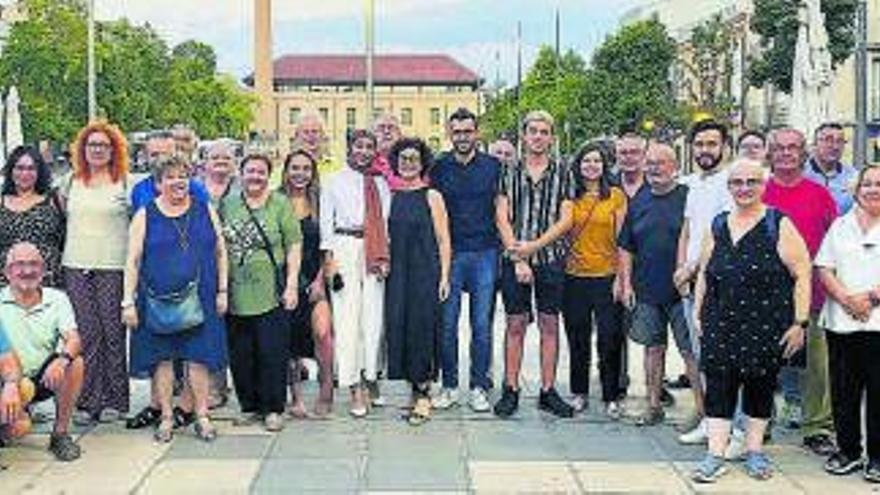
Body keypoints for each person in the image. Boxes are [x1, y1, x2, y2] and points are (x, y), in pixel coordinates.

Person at [690, 159, 810, 483]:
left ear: (763, 185)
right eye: (737, 182)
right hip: (721, 322)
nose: (744, 188)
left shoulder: (777, 223)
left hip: (766, 323)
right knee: (718, 387)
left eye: (751, 182)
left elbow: (802, 272)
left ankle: (754, 451)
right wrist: (698, 313)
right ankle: (715, 454)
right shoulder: (718, 224)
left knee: (760, 387)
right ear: (729, 187)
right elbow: (704, 271)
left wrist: (800, 322)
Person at [122, 157, 228, 443]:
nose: (178, 182)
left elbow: (220, 252)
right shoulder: (145, 214)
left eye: (183, 176)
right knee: (163, 359)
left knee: (199, 358)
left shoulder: (205, 209)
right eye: (170, 177)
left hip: (202, 295)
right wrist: (127, 302)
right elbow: (132, 260)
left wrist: (222, 290)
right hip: (158, 298)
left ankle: (202, 415)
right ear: (158, 183)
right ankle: (167, 416)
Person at [494, 110, 575, 419]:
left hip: (550, 259)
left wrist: (533, 248)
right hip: (514, 258)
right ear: (524, 136)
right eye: (533, 131)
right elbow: (502, 215)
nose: (538, 137)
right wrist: (518, 256)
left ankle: (547, 390)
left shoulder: (563, 171)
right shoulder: (508, 170)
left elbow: (566, 219)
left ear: (551, 137)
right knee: (515, 323)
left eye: (544, 132)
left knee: (549, 324)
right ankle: (511, 387)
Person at [762, 128, 838, 456]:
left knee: (817, 368)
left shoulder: (819, 194)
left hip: (814, 296)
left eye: (793, 148)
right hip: (764, 297)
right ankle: (758, 421)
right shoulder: (758, 191)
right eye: (779, 148)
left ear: (803, 152)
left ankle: (817, 427)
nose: (786, 154)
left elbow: (835, 242)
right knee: (761, 364)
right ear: (769, 153)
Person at [221, 154, 301, 432]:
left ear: (269, 175)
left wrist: (291, 285)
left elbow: (293, 245)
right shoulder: (228, 204)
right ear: (240, 174)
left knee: (272, 352)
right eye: (250, 171)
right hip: (235, 293)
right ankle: (250, 406)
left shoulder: (279, 204)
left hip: (271, 292)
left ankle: (273, 408)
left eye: (261, 172)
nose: (255, 176)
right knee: (241, 353)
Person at [59, 120, 132, 425]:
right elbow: (64, 215)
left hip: (113, 266)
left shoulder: (124, 182)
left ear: (114, 149)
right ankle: (89, 401)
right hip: (77, 265)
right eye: (92, 145)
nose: (98, 150)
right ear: (82, 150)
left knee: (113, 334)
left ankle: (116, 399)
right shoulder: (69, 182)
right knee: (88, 335)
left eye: (104, 145)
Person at [429, 108, 500, 412]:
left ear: (477, 133)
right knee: (447, 324)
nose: (462, 137)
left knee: (481, 325)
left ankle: (479, 386)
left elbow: (502, 208)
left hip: (485, 252)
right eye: (456, 132)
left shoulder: (493, 167)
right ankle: (448, 385)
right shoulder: (438, 167)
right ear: (449, 133)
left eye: (467, 131)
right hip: (451, 255)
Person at [618, 142, 693, 427]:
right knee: (652, 348)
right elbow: (626, 246)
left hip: (682, 290)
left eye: (661, 163)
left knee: (690, 352)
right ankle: (653, 405)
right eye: (650, 163)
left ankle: (701, 410)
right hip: (647, 289)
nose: (654, 168)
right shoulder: (639, 199)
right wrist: (626, 284)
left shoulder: (688, 197)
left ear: (674, 167)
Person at [815, 165, 880, 483]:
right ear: (856, 190)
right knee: (843, 391)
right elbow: (824, 267)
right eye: (866, 184)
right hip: (841, 322)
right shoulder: (841, 225)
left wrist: (869, 298)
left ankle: (878, 459)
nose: (872, 189)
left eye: (879, 184)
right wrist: (847, 300)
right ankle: (849, 452)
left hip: (877, 322)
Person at [320, 129, 390, 418]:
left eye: (369, 147)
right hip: (344, 247)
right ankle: (353, 385)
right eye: (358, 146)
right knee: (348, 318)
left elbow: (385, 222)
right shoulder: (333, 181)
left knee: (373, 318)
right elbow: (326, 223)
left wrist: (385, 256)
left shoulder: (381, 184)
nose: (363, 151)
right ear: (349, 148)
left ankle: (371, 375)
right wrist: (330, 260)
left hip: (373, 249)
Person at [385, 137, 451, 425]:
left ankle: (424, 393)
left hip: (425, 272)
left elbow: (443, 239)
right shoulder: (390, 195)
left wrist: (445, 275)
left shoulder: (432, 196)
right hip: (397, 274)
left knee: (423, 329)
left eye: (413, 158)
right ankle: (413, 391)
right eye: (403, 158)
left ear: (422, 163)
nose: (408, 163)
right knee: (401, 328)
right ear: (396, 163)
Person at [674, 120, 732, 443]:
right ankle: (712, 422)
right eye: (699, 145)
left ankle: (729, 426)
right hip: (690, 281)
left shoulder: (731, 182)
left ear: (724, 146)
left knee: (721, 357)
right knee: (701, 355)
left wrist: (694, 267)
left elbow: (718, 231)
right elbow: (687, 229)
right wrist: (681, 269)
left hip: (718, 280)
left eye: (712, 144)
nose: (705, 151)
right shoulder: (690, 184)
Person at [0, 242, 85, 461]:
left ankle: (60, 434)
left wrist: (63, 359)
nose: (27, 271)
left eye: (33, 264)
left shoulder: (57, 299)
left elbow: (73, 338)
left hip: (42, 377)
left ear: (44, 269)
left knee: (75, 363)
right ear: (7, 272)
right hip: (6, 380)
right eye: (19, 265)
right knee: (19, 428)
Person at [562, 141, 627, 417]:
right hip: (573, 277)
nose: (591, 166)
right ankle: (579, 392)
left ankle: (611, 394)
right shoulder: (569, 196)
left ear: (605, 166)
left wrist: (621, 278)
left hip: (606, 276)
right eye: (586, 161)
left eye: (597, 161)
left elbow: (624, 241)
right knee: (577, 338)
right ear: (578, 166)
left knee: (609, 338)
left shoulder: (615, 196)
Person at [280, 149, 334, 418]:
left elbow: (328, 245)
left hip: (316, 278)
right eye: (295, 168)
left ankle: (326, 393)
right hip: (285, 279)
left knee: (323, 334)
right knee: (289, 342)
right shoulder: (276, 201)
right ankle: (296, 398)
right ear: (286, 171)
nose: (300, 174)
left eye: (306, 168)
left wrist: (320, 280)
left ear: (313, 173)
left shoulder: (321, 202)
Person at [613, 131, 649, 401]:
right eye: (623, 153)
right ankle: (617, 379)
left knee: (654, 332)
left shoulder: (657, 184)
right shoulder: (608, 186)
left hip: (650, 267)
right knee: (616, 327)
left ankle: (654, 386)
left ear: (644, 155)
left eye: (634, 152)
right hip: (614, 266)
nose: (628, 158)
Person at [0, 146, 65, 288]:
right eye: (20, 168)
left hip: (48, 283)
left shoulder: (54, 200)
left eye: (31, 168)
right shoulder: (1, 202)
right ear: (11, 171)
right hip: (7, 285)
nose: (25, 173)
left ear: (39, 172)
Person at [131, 130, 210, 212]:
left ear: (176, 154)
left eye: (165, 154)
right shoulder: (139, 190)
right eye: (154, 155)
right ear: (146, 156)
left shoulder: (196, 188)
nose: (160, 159)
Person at [804, 122, 857, 214]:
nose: (835, 146)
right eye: (828, 140)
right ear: (815, 144)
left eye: (840, 141)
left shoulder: (853, 176)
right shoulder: (799, 174)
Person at [292, 112, 342, 178]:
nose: (310, 136)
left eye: (314, 131)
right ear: (297, 136)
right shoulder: (287, 167)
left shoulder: (337, 167)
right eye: (306, 132)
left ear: (322, 134)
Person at [370, 113, 405, 191]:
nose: (386, 132)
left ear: (400, 135)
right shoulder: (366, 163)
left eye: (391, 128)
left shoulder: (410, 161)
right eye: (381, 128)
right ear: (373, 135)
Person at [201, 140, 240, 206]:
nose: (221, 161)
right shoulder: (194, 185)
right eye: (215, 158)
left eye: (227, 158)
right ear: (205, 162)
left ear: (235, 162)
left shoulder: (243, 185)